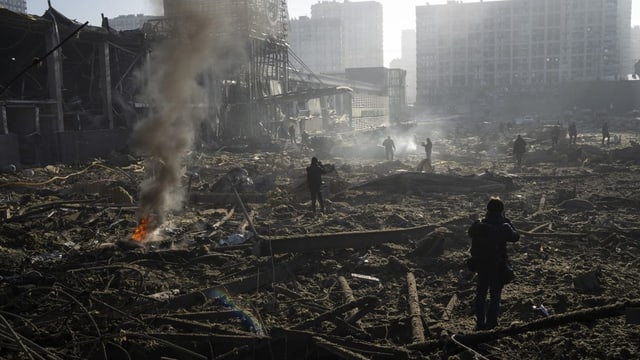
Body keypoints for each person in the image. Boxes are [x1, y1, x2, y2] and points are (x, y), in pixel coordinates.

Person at [467, 197, 520, 330]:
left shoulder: (478, 225)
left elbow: (470, 233)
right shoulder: (503, 226)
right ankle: (491, 322)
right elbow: (515, 237)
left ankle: (480, 322)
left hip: (481, 264)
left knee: (481, 293)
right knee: (495, 295)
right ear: (501, 211)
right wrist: (508, 222)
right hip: (497, 265)